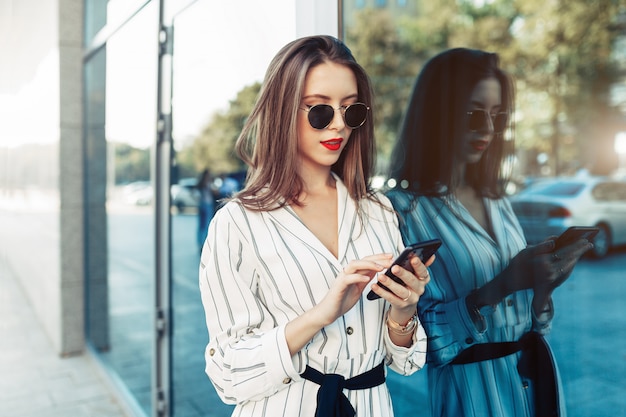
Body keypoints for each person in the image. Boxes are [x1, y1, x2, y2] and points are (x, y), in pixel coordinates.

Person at [199, 35, 433, 417]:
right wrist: (321, 314)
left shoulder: (378, 211)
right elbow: (227, 374)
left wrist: (404, 311)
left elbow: (405, 362)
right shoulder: (237, 224)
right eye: (319, 111)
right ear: (282, 112)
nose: (339, 126)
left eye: (351, 111)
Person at [384, 48, 593, 417]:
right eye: (473, 115)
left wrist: (543, 287)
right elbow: (408, 345)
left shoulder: (496, 199)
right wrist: (499, 287)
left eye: (497, 116)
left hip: (533, 385)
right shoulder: (400, 210)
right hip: (472, 396)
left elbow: (533, 322)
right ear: (437, 117)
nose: (489, 130)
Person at [196, 168, 216, 254]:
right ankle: (203, 243)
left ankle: (201, 243)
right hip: (206, 205)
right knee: (205, 225)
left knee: (202, 225)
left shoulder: (203, 183)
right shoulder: (206, 184)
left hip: (203, 205)